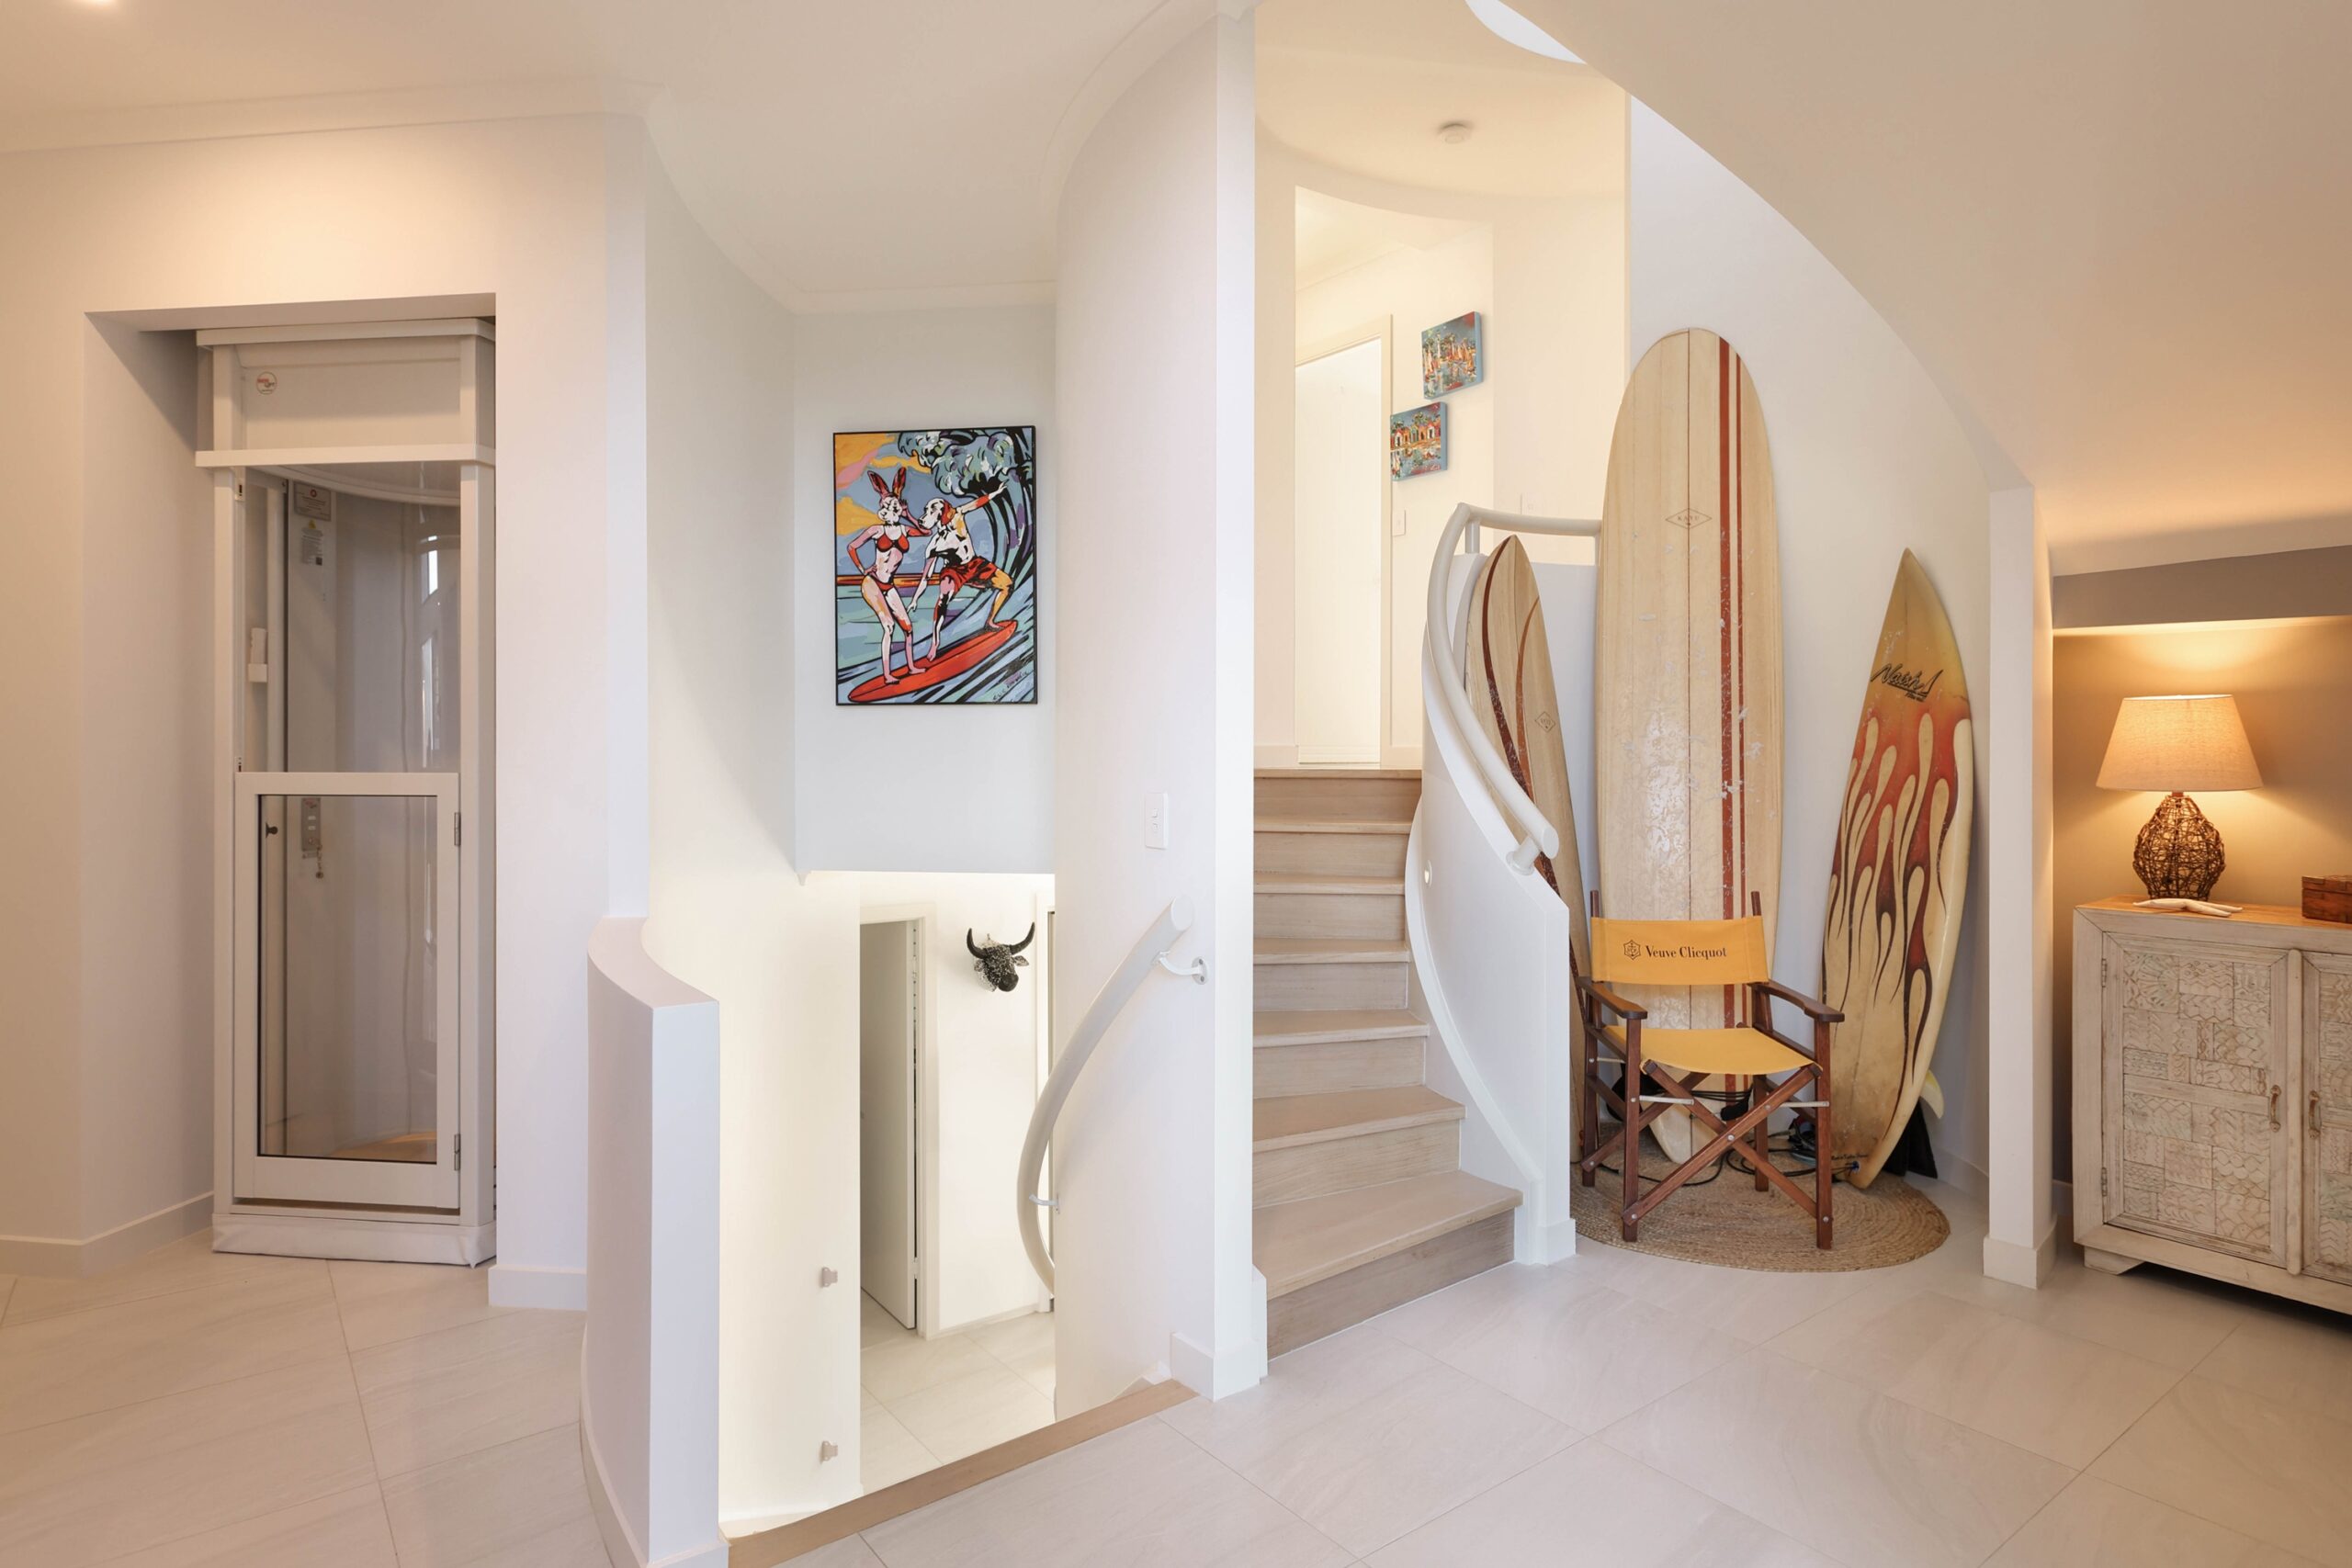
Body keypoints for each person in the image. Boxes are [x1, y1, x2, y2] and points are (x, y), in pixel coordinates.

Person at [845, 468, 929, 686]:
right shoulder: (877, 530)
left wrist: (909, 515)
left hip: (889, 585)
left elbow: (926, 532)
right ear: (884, 508)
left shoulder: (904, 530)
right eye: (889, 506)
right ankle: (887, 675)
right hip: (872, 584)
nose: (892, 509)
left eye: (895, 506)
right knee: (889, 626)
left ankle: (911, 667)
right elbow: (851, 547)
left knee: (908, 628)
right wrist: (863, 569)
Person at [917, 489, 1016, 661]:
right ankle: (935, 642)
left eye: (932, 510)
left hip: (974, 564)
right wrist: (916, 598)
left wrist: (995, 493)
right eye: (927, 511)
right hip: (953, 571)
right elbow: (926, 575)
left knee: (1007, 584)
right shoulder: (935, 545)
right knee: (943, 598)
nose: (927, 514)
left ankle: (990, 621)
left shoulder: (957, 515)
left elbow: (976, 503)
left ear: (943, 512)